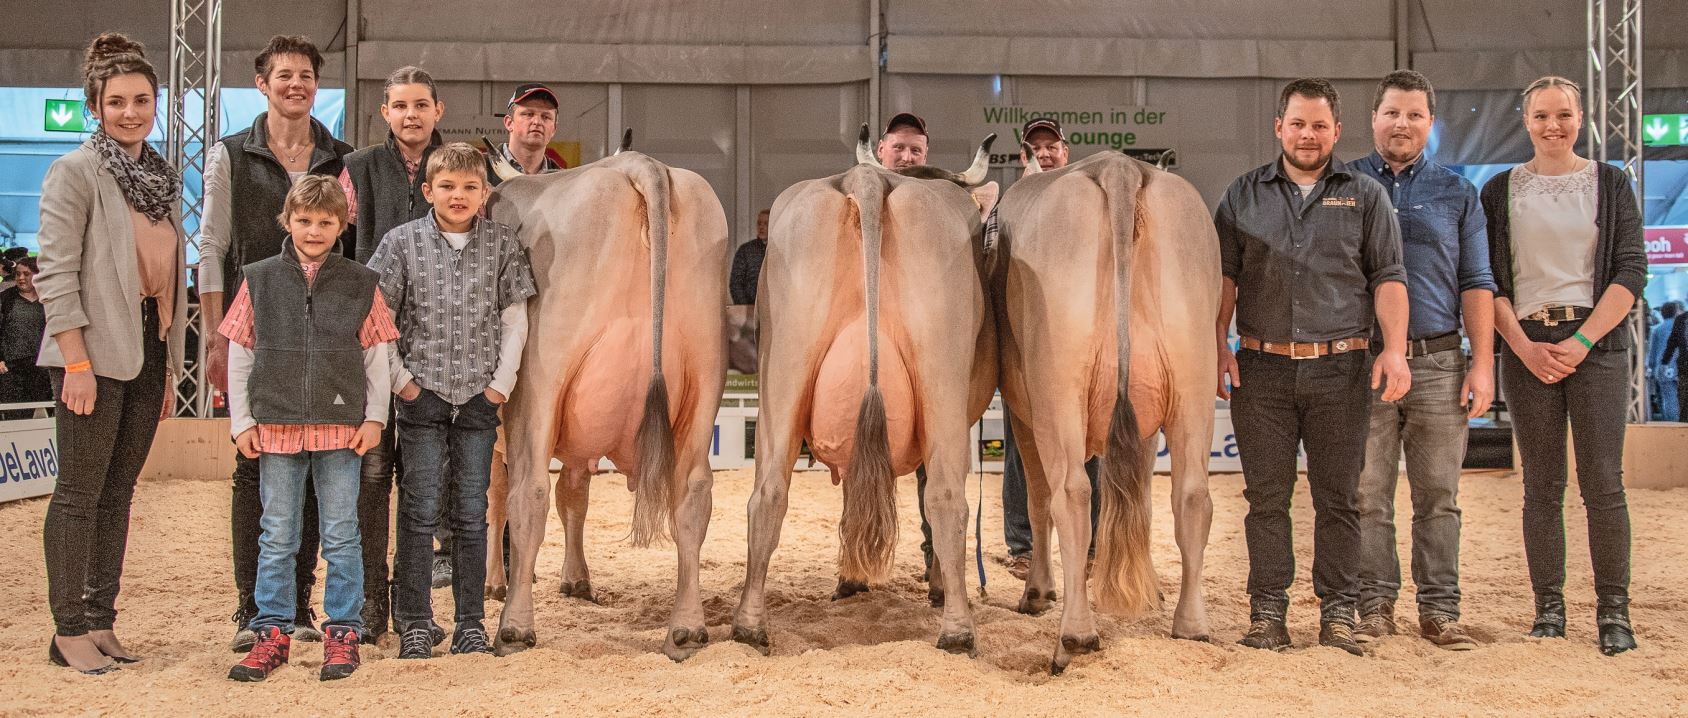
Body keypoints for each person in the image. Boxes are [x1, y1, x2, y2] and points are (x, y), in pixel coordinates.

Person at [1214, 78, 1410, 656]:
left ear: (1337, 131)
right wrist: (1216, 347)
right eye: (1298, 123)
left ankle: (1339, 616)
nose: (1308, 134)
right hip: (1262, 369)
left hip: (1342, 368)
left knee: (1338, 497)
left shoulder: (1367, 195)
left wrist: (1394, 349)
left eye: (1319, 125)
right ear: (1279, 127)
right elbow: (1224, 281)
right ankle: (1267, 613)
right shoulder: (1241, 196)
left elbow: (1389, 278)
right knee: (1266, 498)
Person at [36, 32, 188, 674]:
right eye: (117, 101)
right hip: (91, 357)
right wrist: (75, 361)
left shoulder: (158, 177)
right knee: (79, 492)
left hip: (148, 352)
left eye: (142, 100)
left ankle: (101, 620)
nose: (131, 111)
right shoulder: (75, 172)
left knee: (118, 491)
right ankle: (67, 628)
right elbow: (55, 272)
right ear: (95, 106)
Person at [198, 34, 356, 652]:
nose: (296, 84)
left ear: (317, 85)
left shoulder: (341, 157)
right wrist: (216, 335)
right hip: (256, 331)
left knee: (317, 467)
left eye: (306, 75)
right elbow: (211, 248)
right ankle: (253, 609)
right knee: (256, 467)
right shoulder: (230, 155)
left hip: (324, 336)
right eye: (283, 75)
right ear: (261, 84)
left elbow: (349, 250)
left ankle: (300, 608)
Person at [1483, 76, 1646, 656]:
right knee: (1541, 487)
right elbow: (1488, 282)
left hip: (1596, 346)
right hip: (1527, 346)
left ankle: (1613, 613)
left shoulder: (1611, 183)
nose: (1553, 126)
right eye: (1541, 116)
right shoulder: (1499, 190)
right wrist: (1524, 347)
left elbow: (1631, 272)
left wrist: (1581, 341)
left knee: (1604, 485)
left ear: (1582, 118)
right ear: (1524, 120)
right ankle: (1548, 610)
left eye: (1565, 115)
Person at [224, 176, 398, 682]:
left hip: (342, 431)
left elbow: (376, 358)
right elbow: (241, 354)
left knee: (342, 533)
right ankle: (271, 631)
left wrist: (374, 418)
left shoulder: (361, 282)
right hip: (276, 429)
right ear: (288, 221)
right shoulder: (259, 279)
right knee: (277, 534)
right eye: (304, 220)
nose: (314, 230)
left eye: (326, 221)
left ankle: (342, 632)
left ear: (342, 223)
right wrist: (242, 422)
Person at [368, 143, 537, 658]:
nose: (458, 195)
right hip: (421, 400)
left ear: (485, 193)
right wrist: (403, 384)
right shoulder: (400, 244)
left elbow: (515, 320)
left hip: (479, 404)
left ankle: (469, 623)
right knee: (417, 513)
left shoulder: (503, 244)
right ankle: (415, 621)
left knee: (471, 513)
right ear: (428, 191)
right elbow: (379, 321)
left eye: (469, 187)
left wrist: (498, 388)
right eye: (447, 186)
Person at [1349, 70, 1494, 650]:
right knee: (1367, 495)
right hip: (1362, 364)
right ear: (1373, 119)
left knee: (1439, 498)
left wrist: (1482, 363)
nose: (1402, 124)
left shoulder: (1458, 193)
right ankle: (1376, 606)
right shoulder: (1346, 182)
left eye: (1414, 114)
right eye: (1391, 113)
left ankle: (1440, 611)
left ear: (1431, 124)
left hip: (1438, 362)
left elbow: (1477, 282)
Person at [339, 64, 446, 641]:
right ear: (385, 113)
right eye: (400, 105)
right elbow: (339, 246)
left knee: (426, 488)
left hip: (441, 349)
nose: (411, 115)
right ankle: (367, 609)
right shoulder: (357, 169)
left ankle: (414, 613)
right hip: (373, 348)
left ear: (438, 111)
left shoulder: (459, 168)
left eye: (421, 105)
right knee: (370, 480)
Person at [997, 117, 1097, 580]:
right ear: (1023, 155)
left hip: (1078, 338)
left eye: (1052, 145)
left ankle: (1090, 544)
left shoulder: (1084, 198)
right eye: (1035, 147)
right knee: (1023, 448)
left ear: (1066, 150)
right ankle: (1022, 545)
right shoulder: (1009, 202)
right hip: (1022, 342)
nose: (1045, 153)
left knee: (1091, 445)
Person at [0, 257, 53, 419]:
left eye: (26, 274)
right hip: (12, 368)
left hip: (42, 368)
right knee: (14, 414)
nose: (21, 278)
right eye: (17, 274)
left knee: (43, 412)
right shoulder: (6, 299)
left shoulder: (49, 299)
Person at [485, 83, 562, 187]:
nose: (537, 122)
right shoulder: (476, 169)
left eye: (545, 117)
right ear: (509, 123)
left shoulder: (564, 182)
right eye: (529, 114)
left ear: (554, 129)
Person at [728, 209, 770, 306]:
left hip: (774, 312)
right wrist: (745, 307)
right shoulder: (745, 250)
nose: (761, 227)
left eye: (766, 224)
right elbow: (736, 283)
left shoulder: (778, 252)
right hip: (749, 309)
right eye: (759, 223)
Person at [1658, 302, 1685, 421]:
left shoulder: (1658, 330)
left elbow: (1655, 351)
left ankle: (1673, 423)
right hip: (1680, 367)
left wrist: (1655, 365)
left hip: (1666, 368)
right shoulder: (1681, 324)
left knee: (1669, 397)